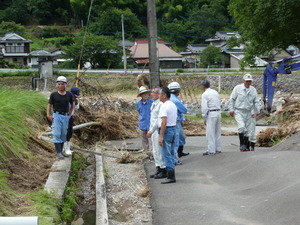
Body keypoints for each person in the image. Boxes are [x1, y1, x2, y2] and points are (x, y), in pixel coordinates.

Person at [229, 74, 260, 152]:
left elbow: (256, 101)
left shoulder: (253, 90)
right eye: (247, 81)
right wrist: (231, 110)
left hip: (249, 111)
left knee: (248, 130)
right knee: (242, 127)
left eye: (249, 81)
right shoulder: (237, 88)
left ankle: (246, 146)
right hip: (239, 111)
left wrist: (257, 111)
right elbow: (232, 99)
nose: (248, 83)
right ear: (243, 81)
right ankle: (242, 144)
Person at [47, 76, 74, 158]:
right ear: (57, 85)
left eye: (62, 84)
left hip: (65, 116)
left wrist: (69, 114)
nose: (61, 86)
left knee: (63, 134)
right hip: (56, 115)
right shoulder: (54, 95)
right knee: (57, 133)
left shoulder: (69, 95)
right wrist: (48, 115)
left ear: (65, 85)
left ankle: (61, 152)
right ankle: (58, 152)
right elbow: (49, 105)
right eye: (59, 84)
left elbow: (72, 105)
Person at [158, 87, 177, 184]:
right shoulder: (173, 104)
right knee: (172, 152)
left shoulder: (164, 106)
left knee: (166, 153)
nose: (159, 96)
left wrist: (161, 136)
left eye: (160, 94)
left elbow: (163, 122)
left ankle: (170, 176)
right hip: (173, 128)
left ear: (164, 95)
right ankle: (172, 173)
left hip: (167, 130)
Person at [147, 87, 166, 179]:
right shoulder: (154, 104)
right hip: (153, 131)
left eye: (153, 92)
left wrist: (151, 130)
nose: (151, 94)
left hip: (157, 130)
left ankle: (163, 169)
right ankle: (158, 168)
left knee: (159, 150)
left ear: (158, 94)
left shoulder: (160, 104)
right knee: (155, 150)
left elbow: (158, 120)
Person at [168, 81, 189, 165]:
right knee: (176, 141)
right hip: (175, 122)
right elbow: (184, 110)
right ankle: (174, 159)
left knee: (180, 138)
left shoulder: (171, 98)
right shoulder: (175, 100)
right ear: (177, 91)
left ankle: (180, 153)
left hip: (175, 121)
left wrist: (182, 120)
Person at [200, 80, 221, 156]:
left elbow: (204, 108)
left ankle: (211, 150)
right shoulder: (215, 92)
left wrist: (204, 117)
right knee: (217, 131)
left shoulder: (205, 94)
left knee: (210, 132)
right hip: (218, 112)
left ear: (203, 86)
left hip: (211, 113)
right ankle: (218, 148)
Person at [63, 87, 80, 156]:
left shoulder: (74, 100)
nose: (75, 96)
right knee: (65, 132)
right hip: (65, 117)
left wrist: (76, 103)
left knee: (70, 132)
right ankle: (64, 148)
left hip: (71, 117)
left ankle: (68, 148)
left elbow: (76, 108)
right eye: (75, 95)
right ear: (71, 93)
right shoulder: (66, 98)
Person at [136, 86, 153, 152]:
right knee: (144, 140)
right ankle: (147, 153)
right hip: (142, 123)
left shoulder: (152, 102)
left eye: (146, 93)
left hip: (150, 123)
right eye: (143, 94)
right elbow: (139, 111)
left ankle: (153, 154)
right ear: (141, 95)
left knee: (152, 140)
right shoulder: (138, 103)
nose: (145, 95)